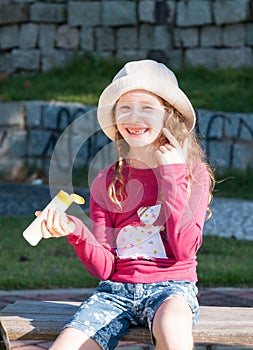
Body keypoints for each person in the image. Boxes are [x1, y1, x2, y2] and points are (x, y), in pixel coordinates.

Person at [38, 59, 214, 350]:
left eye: (147, 108)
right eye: (125, 108)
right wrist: (75, 230)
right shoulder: (105, 182)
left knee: (173, 328)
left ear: (167, 116)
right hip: (114, 293)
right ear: (115, 118)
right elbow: (106, 267)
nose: (135, 117)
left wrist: (171, 176)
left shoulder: (192, 174)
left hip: (171, 290)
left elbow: (185, 248)